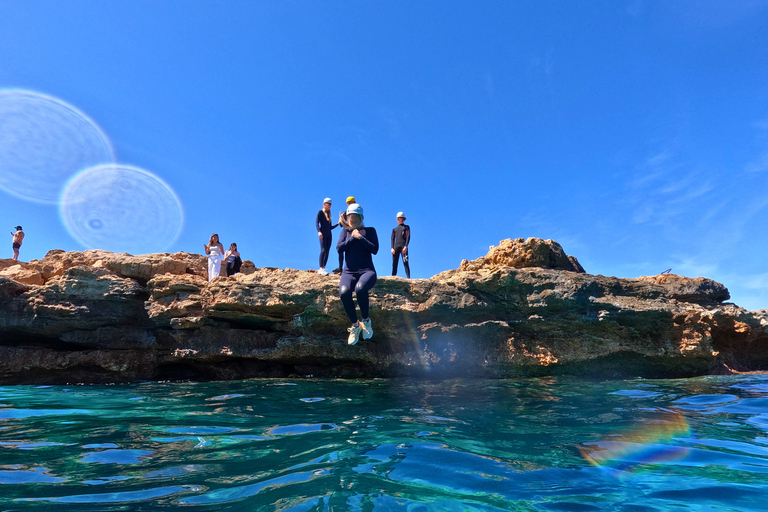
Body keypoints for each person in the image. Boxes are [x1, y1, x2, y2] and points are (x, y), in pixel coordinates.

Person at [337, 203, 378, 345]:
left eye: (354, 216)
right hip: (349, 272)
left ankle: (366, 322)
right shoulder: (345, 232)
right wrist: (352, 237)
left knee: (360, 288)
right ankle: (355, 326)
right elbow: (339, 248)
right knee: (344, 292)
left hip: (367, 271)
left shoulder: (370, 231)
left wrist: (360, 237)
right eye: (349, 216)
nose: (351, 219)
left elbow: (375, 249)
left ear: (360, 217)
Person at [332, 195, 356, 274]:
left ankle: (349, 268)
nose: (350, 204)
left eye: (351, 202)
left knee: (351, 250)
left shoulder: (356, 211)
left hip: (353, 232)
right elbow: (341, 225)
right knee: (340, 248)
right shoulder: (345, 213)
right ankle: (340, 267)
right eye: (348, 203)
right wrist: (341, 219)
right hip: (346, 232)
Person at [315, 198, 338, 275]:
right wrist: (319, 232)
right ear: (323, 205)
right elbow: (317, 222)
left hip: (329, 234)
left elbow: (330, 227)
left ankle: (324, 268)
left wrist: (338, 224)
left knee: (327, 251)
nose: (327, 206)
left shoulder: (329, 215)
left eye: (329, 205)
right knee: (323, 250)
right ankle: (320, 268)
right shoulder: (320, 212)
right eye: (326, 205)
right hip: (322, 234)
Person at [391, 212, 410, 278]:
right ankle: (393, 277)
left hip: (403, 247)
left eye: (401, 218)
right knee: (394, 263)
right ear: (397, 219)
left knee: (405, 262)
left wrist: (406, 246)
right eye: (398, 219)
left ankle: (408, 278)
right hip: (396, 247)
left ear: (404, 219)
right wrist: (392, 248)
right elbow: (392, 239)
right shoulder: (394, 229)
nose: (400, 220)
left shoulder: (406, 227)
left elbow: (408, 237)